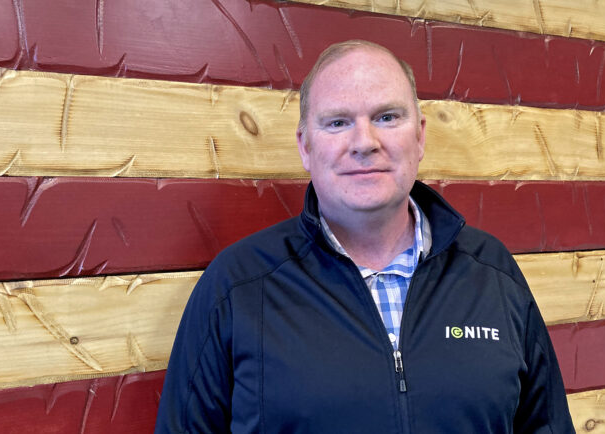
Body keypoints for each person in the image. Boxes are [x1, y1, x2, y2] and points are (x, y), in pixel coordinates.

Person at [155, 40, 574, 433]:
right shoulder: (238, 286)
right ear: (305, 146)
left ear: (420, 134)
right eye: (337, 122)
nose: (364, 142)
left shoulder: (491, 272)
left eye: (386, 117)